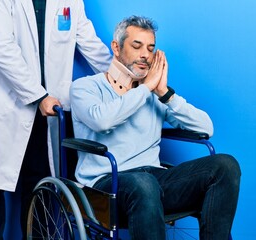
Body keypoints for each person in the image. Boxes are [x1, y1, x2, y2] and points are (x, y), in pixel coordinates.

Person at [70, 15, 240, 240]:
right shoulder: (85, 87)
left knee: (225, 165)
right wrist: (146, 88)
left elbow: (206, 128)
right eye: (137, 46)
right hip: (105, 185)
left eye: (150, 48)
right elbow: (102, 120)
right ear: (116, 47)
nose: (145, 55)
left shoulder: (154, 94)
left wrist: (164, 94)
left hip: (153, 179)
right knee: (143, 183)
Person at [0, 0, 112, 239]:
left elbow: (90, 43)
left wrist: (126, 79)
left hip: (46, 110)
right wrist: (39, 95)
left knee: (38, 185)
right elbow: (0, 47)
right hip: (1, 103)